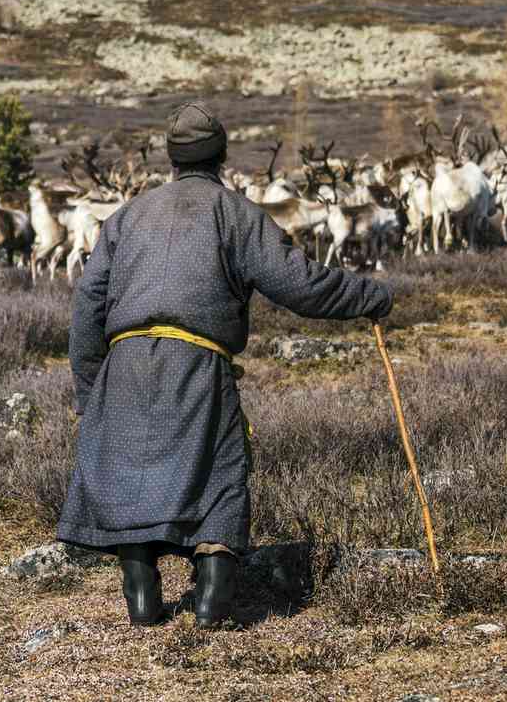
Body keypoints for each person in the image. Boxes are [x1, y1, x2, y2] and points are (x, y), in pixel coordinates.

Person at [56, 101, 394, 628]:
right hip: (196, 365)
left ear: (172, 157)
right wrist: (368, 296)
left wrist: (91, 390)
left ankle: (143, 607)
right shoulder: (235, 213)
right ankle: (213, 612)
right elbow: (298, 284)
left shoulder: (127, 217)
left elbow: (86, 308)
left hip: (124, 364)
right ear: (221, 156)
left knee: (128, 472)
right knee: (220, 476)